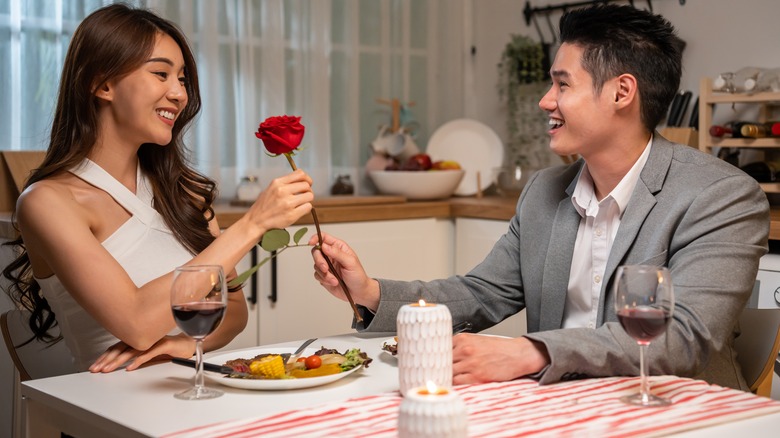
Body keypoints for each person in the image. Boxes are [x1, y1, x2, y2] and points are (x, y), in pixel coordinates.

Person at [310, 3, 770, 390]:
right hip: (557, 406)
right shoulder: (544, 191)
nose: (545, 100)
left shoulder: (721, 196)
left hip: (675, 413)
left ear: (621, 92)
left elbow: (683, 337)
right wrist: (369, 293)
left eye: (563, 84)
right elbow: (482, 294)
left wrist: (529, 351)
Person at [1, 4, 314, 374]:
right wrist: (253, 225)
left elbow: (234, 313)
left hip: (194, 388)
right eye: (161, 74)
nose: (179, 93)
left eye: (181, 79)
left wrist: (178, 345)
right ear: (102, 84)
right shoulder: (47, 203)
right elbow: (135, 322)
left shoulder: (186, 195)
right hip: (108, 409)